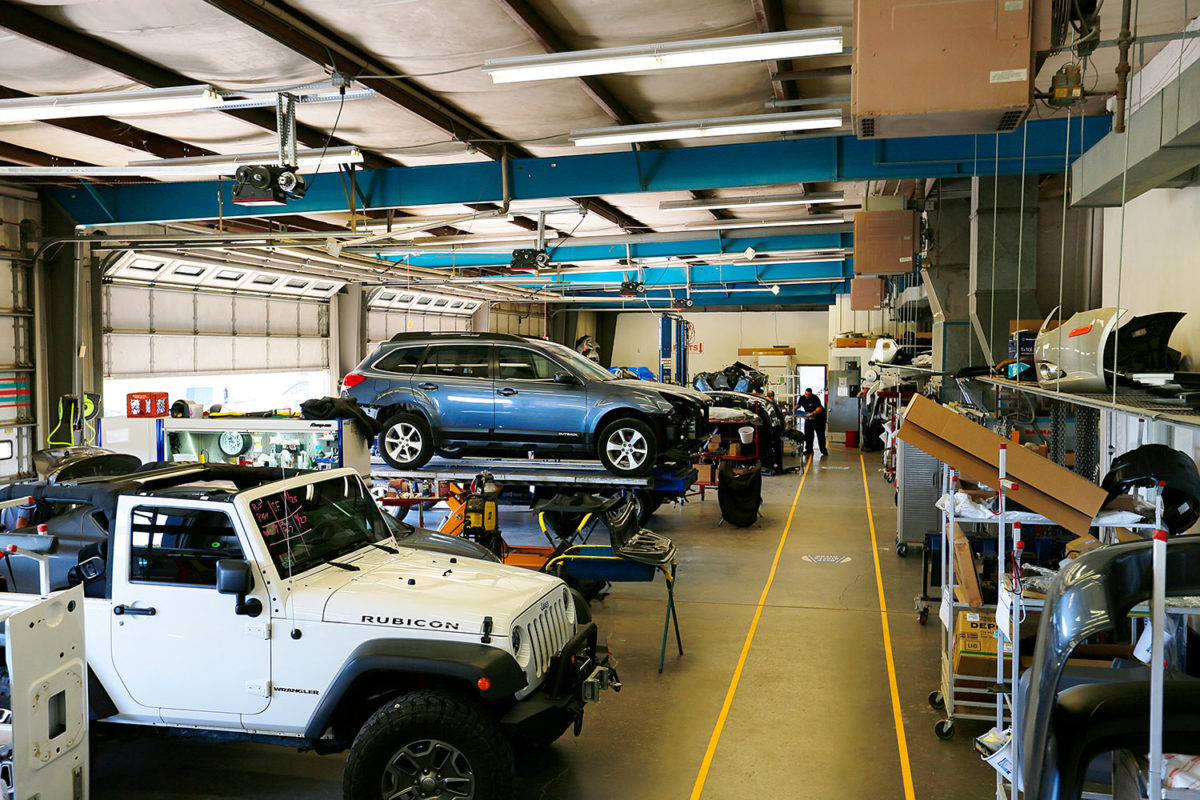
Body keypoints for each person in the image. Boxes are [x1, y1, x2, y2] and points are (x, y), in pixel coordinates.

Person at [796, 388, 828, 456]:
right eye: (806, 394)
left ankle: (823, 450)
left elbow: (819, 408)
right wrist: (793, 410)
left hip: (819, 419)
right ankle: (809, 450)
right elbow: (798, 405)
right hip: (809, 419)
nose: (807, 396)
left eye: (808, 395)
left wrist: (812, 413)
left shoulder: (815, 398)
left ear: (811, 394)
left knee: (820, 435)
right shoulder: (802, 398)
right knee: (808, 435)